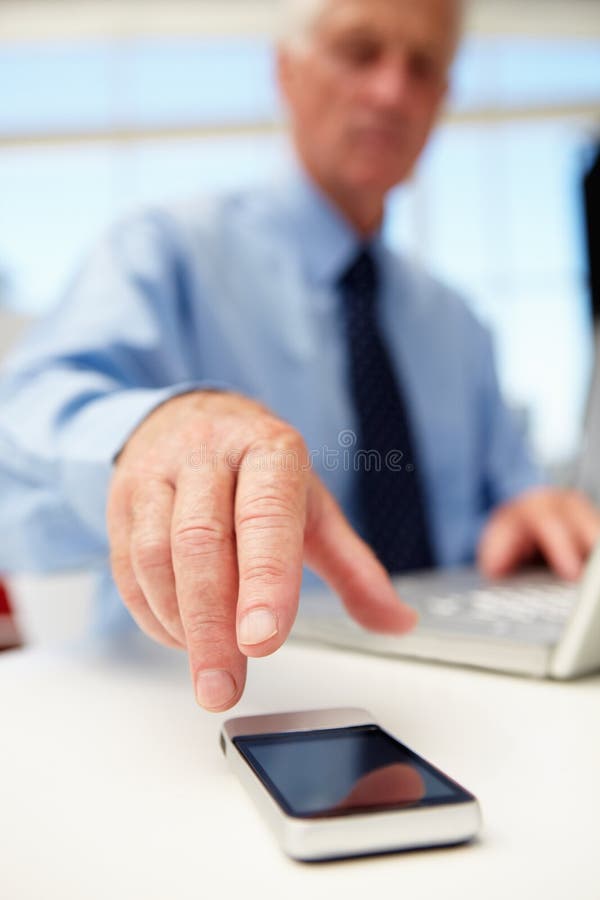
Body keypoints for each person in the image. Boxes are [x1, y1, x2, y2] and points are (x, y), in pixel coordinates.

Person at [0, 0, 598, 712]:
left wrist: (533, 517)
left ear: (441, 101)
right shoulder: (162, 252)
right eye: (360, 50)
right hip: (217, 714)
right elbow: (16, 444)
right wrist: (151, 429)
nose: (390, 90)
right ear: (287, 71)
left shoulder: (459, 324)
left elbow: (512, 498)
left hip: (465, 704)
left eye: (423, 67)